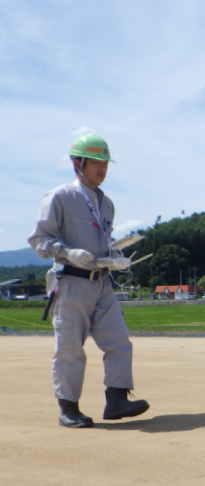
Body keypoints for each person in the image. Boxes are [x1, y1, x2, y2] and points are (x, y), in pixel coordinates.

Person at [28, 133, 149, 428]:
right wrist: (67, 251)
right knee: (69, 348)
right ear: (77, 163)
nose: (102, 169)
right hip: (70, 282)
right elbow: (39, 240)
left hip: (101, 283)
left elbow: (103, 240)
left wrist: (114, 256)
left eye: (105, 163)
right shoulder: (59, 197)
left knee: (119, 341)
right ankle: (68, 408)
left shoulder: (106, 203)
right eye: (96, 162)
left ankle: (117, 400)